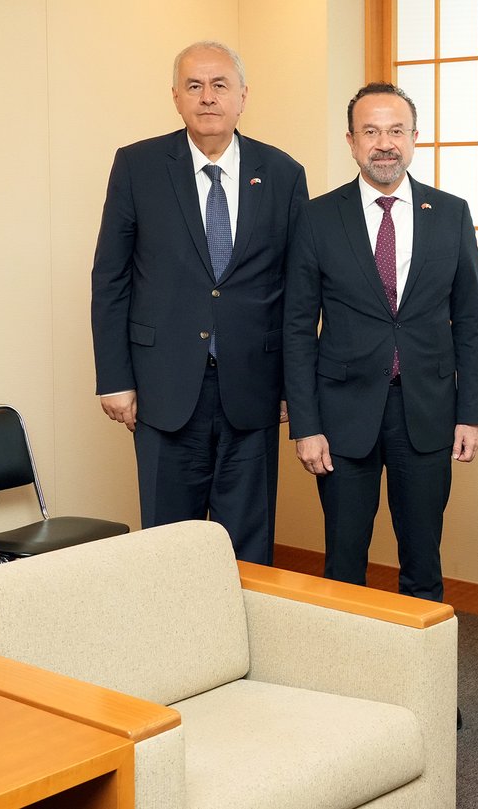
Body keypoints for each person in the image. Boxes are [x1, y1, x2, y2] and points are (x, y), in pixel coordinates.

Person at [91, 41, 308, 564]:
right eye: (194, 86)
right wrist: (114, 377)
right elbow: (110, 277)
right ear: (175, 97)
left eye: (219, 86)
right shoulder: (137, 166)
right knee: (168, 546)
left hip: (254, 389)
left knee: (248, 546)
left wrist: (293, 389)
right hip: (162, 387)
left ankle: (245, 645)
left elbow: (298, 290)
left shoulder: (282, 173)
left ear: (242, 97)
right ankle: (172, 645)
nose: (207, 97)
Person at [283, 82, 478, 603]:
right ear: (351, 142)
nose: (384, 143)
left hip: (426, 411)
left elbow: (469, 322)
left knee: (423, 559)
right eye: (370, 131)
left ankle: (420, 679)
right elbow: (297, 327)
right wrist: (305, 425)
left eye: (396, 131)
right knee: (344, 560)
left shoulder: (450, 213)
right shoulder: (317, 217)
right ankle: (346, 678)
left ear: (415, 138)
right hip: (341, 415)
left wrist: (471, 413)